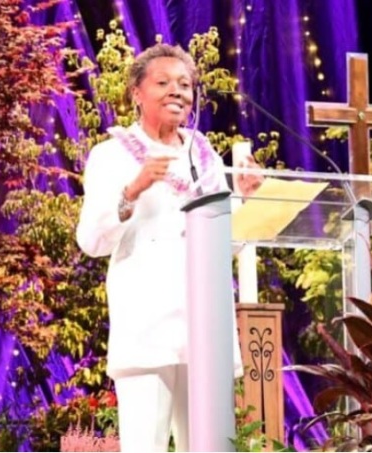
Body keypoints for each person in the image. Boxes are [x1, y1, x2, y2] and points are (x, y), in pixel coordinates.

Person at [75, 43, 261, 452]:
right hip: (147, 328)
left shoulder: (205, 155)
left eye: (184, 84)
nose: (177, 91)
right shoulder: (111, 155)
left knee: (211, 445)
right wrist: (134, 189)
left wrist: (244, 199)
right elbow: (90, 241)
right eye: (163, 82)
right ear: (136, 93)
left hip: (204, 326)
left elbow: (223, 243)